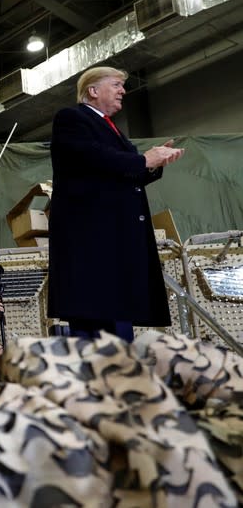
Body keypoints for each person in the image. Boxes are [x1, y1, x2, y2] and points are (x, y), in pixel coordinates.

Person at [47, 66, 184, 342]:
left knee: (115, 320)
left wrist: (155, 164)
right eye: (117, 85)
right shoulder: (72, 118)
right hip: (91, 240)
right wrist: (144, 159)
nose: (123, 91)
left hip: (112, 241)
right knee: (96, 324)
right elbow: (93, 157)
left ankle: (117, 377)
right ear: (93, 91)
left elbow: (121, 174)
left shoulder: (113, 131)